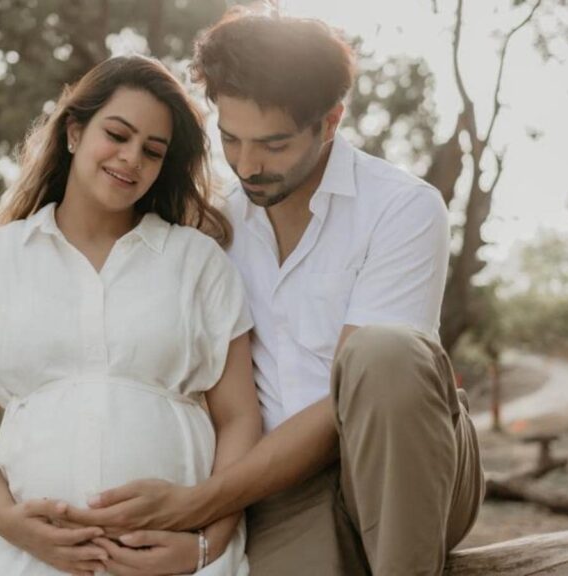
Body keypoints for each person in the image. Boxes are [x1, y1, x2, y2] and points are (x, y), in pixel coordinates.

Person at [63, 7, 486, 575]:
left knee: (383, 352)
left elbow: (348, 405)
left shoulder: (402, 206)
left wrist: (198, 501)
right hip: (279, 489)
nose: (248, 164)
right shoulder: (209, 224)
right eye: (231, 139)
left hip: (404, 463)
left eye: (275, 144)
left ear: (331, 121)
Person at [0, 54, 263, 576]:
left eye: (152, 151)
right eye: (118, 134)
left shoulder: (198, 262)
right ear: (73, 132)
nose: (131, 158)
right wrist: (6, 519)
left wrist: (207, 543)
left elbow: (239, 418)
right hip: (24, 560)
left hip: (175, 562)